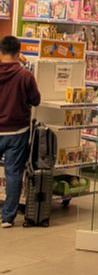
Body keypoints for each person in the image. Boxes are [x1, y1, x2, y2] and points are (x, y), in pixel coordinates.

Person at [0, 35, 40, 227]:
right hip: (17, 131)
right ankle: (8, 218)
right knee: (13, 174)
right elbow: (36, 100)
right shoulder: (25, 75)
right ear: (19, 52)